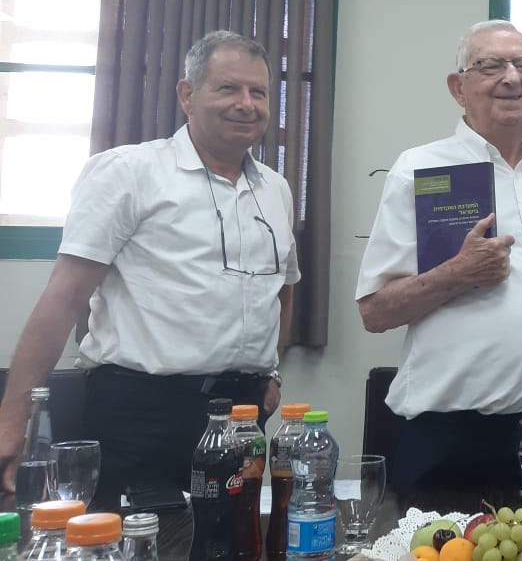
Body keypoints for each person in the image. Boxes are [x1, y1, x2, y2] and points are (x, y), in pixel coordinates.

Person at [0, 31, 298, 507]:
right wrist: (12, 423)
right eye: (228, 88)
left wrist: (273, 373)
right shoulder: (128, 172)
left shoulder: (275, 189)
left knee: (234, 537)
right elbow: (64, 297)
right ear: (187, 94)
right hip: (139, 412)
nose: (246, 104)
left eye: (258, 92)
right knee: (134, 540)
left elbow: (284, 287)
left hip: (242, 416)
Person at [355, 20, 522, 491]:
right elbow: (375, 312)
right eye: (490, 66)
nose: (511, 78)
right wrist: (458, 273)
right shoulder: (421, 170)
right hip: (456, 437)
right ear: (458, 88)